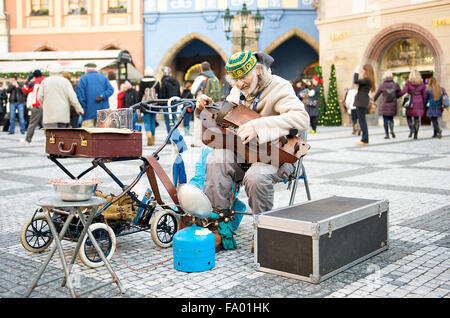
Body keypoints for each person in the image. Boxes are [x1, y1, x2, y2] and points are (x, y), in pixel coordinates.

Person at [195, 51, 310, 217]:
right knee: (215, 159)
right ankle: (217, 223)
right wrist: (207, 107)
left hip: (277, 157)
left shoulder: (279, 86)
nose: (240, 84)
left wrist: (258, 126)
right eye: (235, 80)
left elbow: (301, 118)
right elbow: (227, 118)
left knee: (256, 177)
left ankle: (263, 229)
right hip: (245, 154)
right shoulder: (237, 90)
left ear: (257, 69)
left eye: (244, 78)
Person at [37, 63, 84, 128]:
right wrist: (79, 109)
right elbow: (73, 98)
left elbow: (39, 97)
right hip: (63, 114)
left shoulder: (45, 82)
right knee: (62, 135)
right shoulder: (65, 81)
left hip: (49, 114)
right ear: (61, 72)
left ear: (50, 71)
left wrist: (45, 105)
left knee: (50, 135)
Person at [191, 61, 221, 147]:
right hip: (213, 103)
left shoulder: (200, 77)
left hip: (202, 103)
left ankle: (197, 141)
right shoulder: (215, 77)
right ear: (210, 68)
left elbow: (193, 90)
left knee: (198, 120)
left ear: (201, 69)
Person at [76, 63, 114, 128]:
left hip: (88, 112)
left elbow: (80, 96)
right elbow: (110, 90)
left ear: (86, 69)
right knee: (102, 134)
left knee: (88, 134)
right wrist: (102, 96)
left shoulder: (83, 78)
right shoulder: (103, 77)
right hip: (103, 110)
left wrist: (84, 108)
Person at [373, 70, 402, 139]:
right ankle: (391, 130)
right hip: (393, 104)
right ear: (392, 76)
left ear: (385, 76)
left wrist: (373, 100)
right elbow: (399, 94)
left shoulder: (382, 85)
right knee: (391, 119)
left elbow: (377, 95)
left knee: (385, 119)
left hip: (384, 104)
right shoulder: (395, 84)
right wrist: (396, 97)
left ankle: (387, 134)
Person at [353, 64, 376, 146]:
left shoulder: (367, 80)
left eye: (363, 70)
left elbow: (355, 81)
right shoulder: (368, 80)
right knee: (362, 121)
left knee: (362, 121)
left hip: (361, 102)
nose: (362, 71)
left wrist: (355, 72)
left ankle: (365, 139)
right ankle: (364, 139)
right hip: (362, 101)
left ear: (366, 71)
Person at [400, 69, 426, 139]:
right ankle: (415, 135)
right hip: (419, 102)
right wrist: (423, 104)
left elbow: (403, 91)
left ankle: (412, 129)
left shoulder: (408, 83)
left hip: (411, 102)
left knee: (408, 117)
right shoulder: (422, 83)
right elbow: (424, 95)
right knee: (417, 118)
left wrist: (397, 94)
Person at [139, 67, 160, 146]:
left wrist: (139, 105)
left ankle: (148, 136)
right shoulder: (156, 82)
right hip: (154, 104)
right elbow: (159, 94)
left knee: (146, 121)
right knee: (152, 122)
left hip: (145, 104)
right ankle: (153, 139)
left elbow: (140, 94)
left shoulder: (142, 82)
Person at [22, 70, 45, 143]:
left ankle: (27, 140)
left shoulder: (34, 83)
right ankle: (51, 139)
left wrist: (28, 80)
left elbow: (24, 89)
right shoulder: (45, 81)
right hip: (46, 105)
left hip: (37, 105)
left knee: (32, 124)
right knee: (47, 124)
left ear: (34, 76)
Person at [159, 66, 180, 133]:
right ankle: (173, 135)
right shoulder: (176, 81)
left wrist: (161, 104)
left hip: (166, 103)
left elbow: (162, 93)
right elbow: (179, 92)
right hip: (175, 102)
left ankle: (170, 136)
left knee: (168, 120)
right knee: (173, 120)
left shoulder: (164, 81)